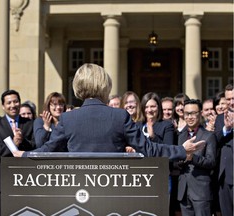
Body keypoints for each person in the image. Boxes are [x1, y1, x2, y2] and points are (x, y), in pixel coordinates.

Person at [13, 63, 205, 161]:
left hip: (77, 189)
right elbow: (148, 149)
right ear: (105, 85)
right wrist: (181, 150)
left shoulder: (67, 118)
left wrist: (22, 155)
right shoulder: (120, 115)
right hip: (115, 190)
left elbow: (47, 152)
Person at [0, 90, 36, 216]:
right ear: (3, 106)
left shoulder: (30, 124)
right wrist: (13, 144)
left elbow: (35, 147)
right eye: (9, 103)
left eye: (15, 101)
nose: (13, 105)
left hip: (25, 180)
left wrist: (22, 141)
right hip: (3, 180)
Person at [176, 99, 216, 216]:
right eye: (187, 113)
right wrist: (182, 159)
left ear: (200, 113)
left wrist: (192, 157)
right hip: (183, 191)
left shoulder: (208, 136)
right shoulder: (180, 136)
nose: (190, 117)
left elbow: (211, 162)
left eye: (193, 113)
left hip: (201, 192)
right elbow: (174, 161)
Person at [137, 92, 174, 197]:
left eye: (153, 106)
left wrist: (154, 137)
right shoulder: (137, 125)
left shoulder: (166, 125)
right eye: (146, 107)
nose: (149, 110)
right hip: (140, 175)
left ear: (159, 108)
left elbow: (169, 151)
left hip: (160, 174)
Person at [214, 84, 233, 216]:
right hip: (224, 175)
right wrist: (226, 129)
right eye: (228, 99)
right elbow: (215, 140)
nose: (231, 102)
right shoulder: (220, 118)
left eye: (233, 98)